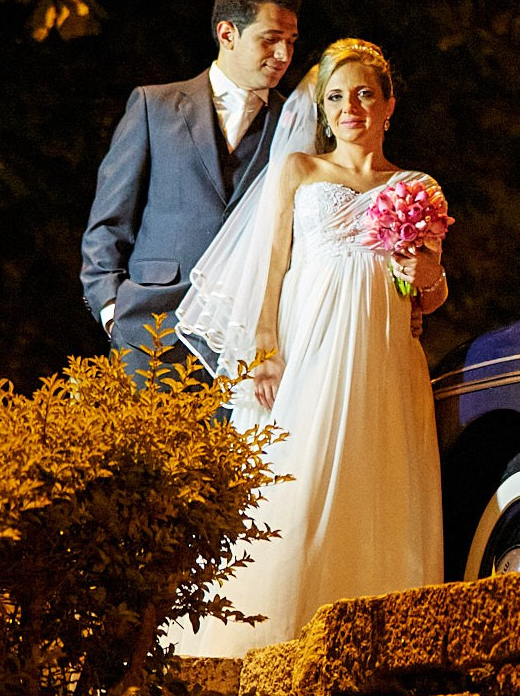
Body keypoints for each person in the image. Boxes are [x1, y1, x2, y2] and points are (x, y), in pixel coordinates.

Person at [168, 39, 450, 656]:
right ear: (323, 111)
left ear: (388, 105)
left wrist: (421, 263)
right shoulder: (298, 170)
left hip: (383, 350)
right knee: (297, 475)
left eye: (364, 94)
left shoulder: (417, 186)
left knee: (376, 478)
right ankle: (268, 638)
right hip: (310, 344)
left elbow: (428, 296)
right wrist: (264, 344)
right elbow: (272, 264)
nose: (351, 107)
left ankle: (379, 640)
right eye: (337, 97)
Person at [81, 0, 300, 379]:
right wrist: (111, 310)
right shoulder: (154, 106)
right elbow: (108, 223)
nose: (283, 56)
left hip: (247, 343)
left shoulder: (295, 125)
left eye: (290, 42)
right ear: (227, 33)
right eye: (270, 39)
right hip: (150, 332)